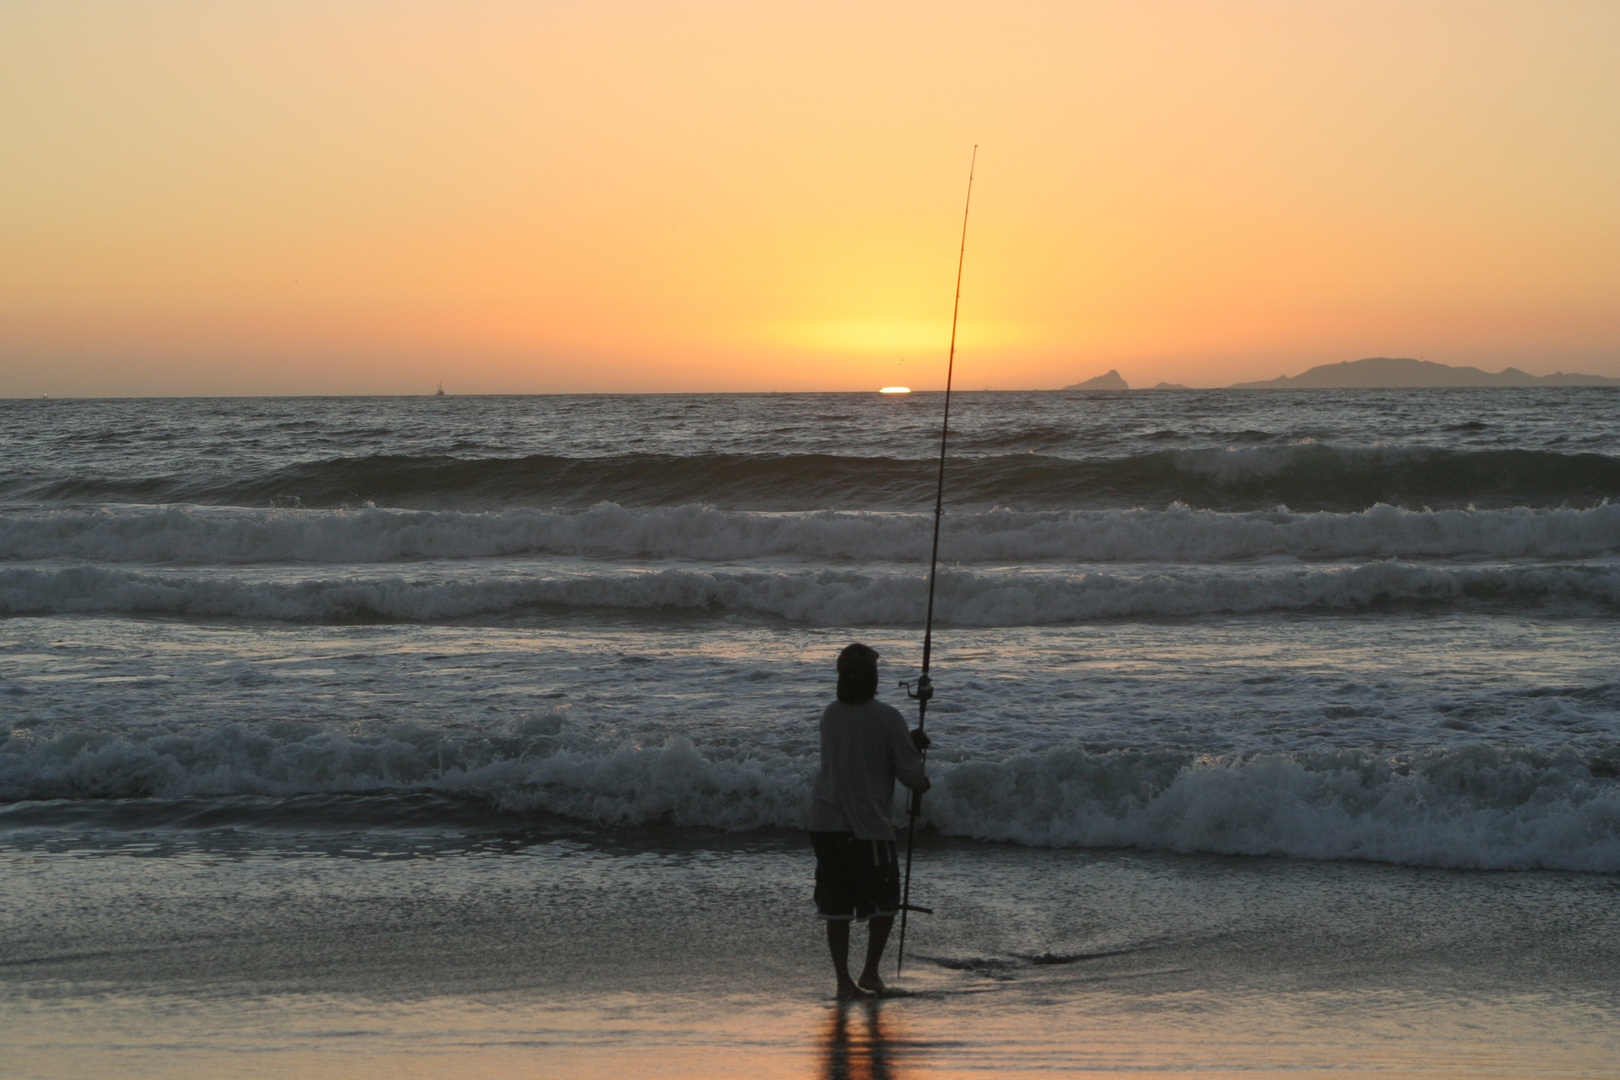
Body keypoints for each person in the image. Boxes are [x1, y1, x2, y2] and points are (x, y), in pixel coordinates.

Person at [806, 642, 931, 999]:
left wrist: (902, 742)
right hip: (868, 827)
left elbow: (858, 748)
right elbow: (910, 775)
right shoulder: (887, 717)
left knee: (837, 908)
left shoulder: (831, 714)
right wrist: (921, 776)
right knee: (885, 902)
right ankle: (871, 972)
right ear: (873, 679)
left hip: (825, 824)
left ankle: (843, 980)